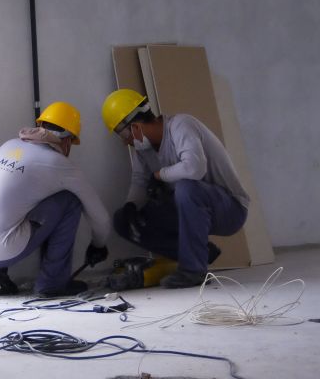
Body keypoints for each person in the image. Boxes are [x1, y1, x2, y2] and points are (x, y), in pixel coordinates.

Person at [0, 102, 110, 297]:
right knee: (69, 200)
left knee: (14, 205)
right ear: (68, 140)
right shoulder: (59, 163)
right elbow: (100, 216)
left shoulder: (9, 145)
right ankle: (52, 283)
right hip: (3, 249)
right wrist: (99, 244)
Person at [100, 89, 249, 288]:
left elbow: (194, 168)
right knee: (123, 220)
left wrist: (159, 175)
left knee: (187, 188)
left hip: (229, 209)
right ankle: (202, 251)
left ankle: (193, 270)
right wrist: (130, 206)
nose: (125, 141)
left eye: (123, 134)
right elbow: (139, 181)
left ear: (134, 127)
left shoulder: (180, 126)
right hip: (188, 209)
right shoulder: (143, 150)